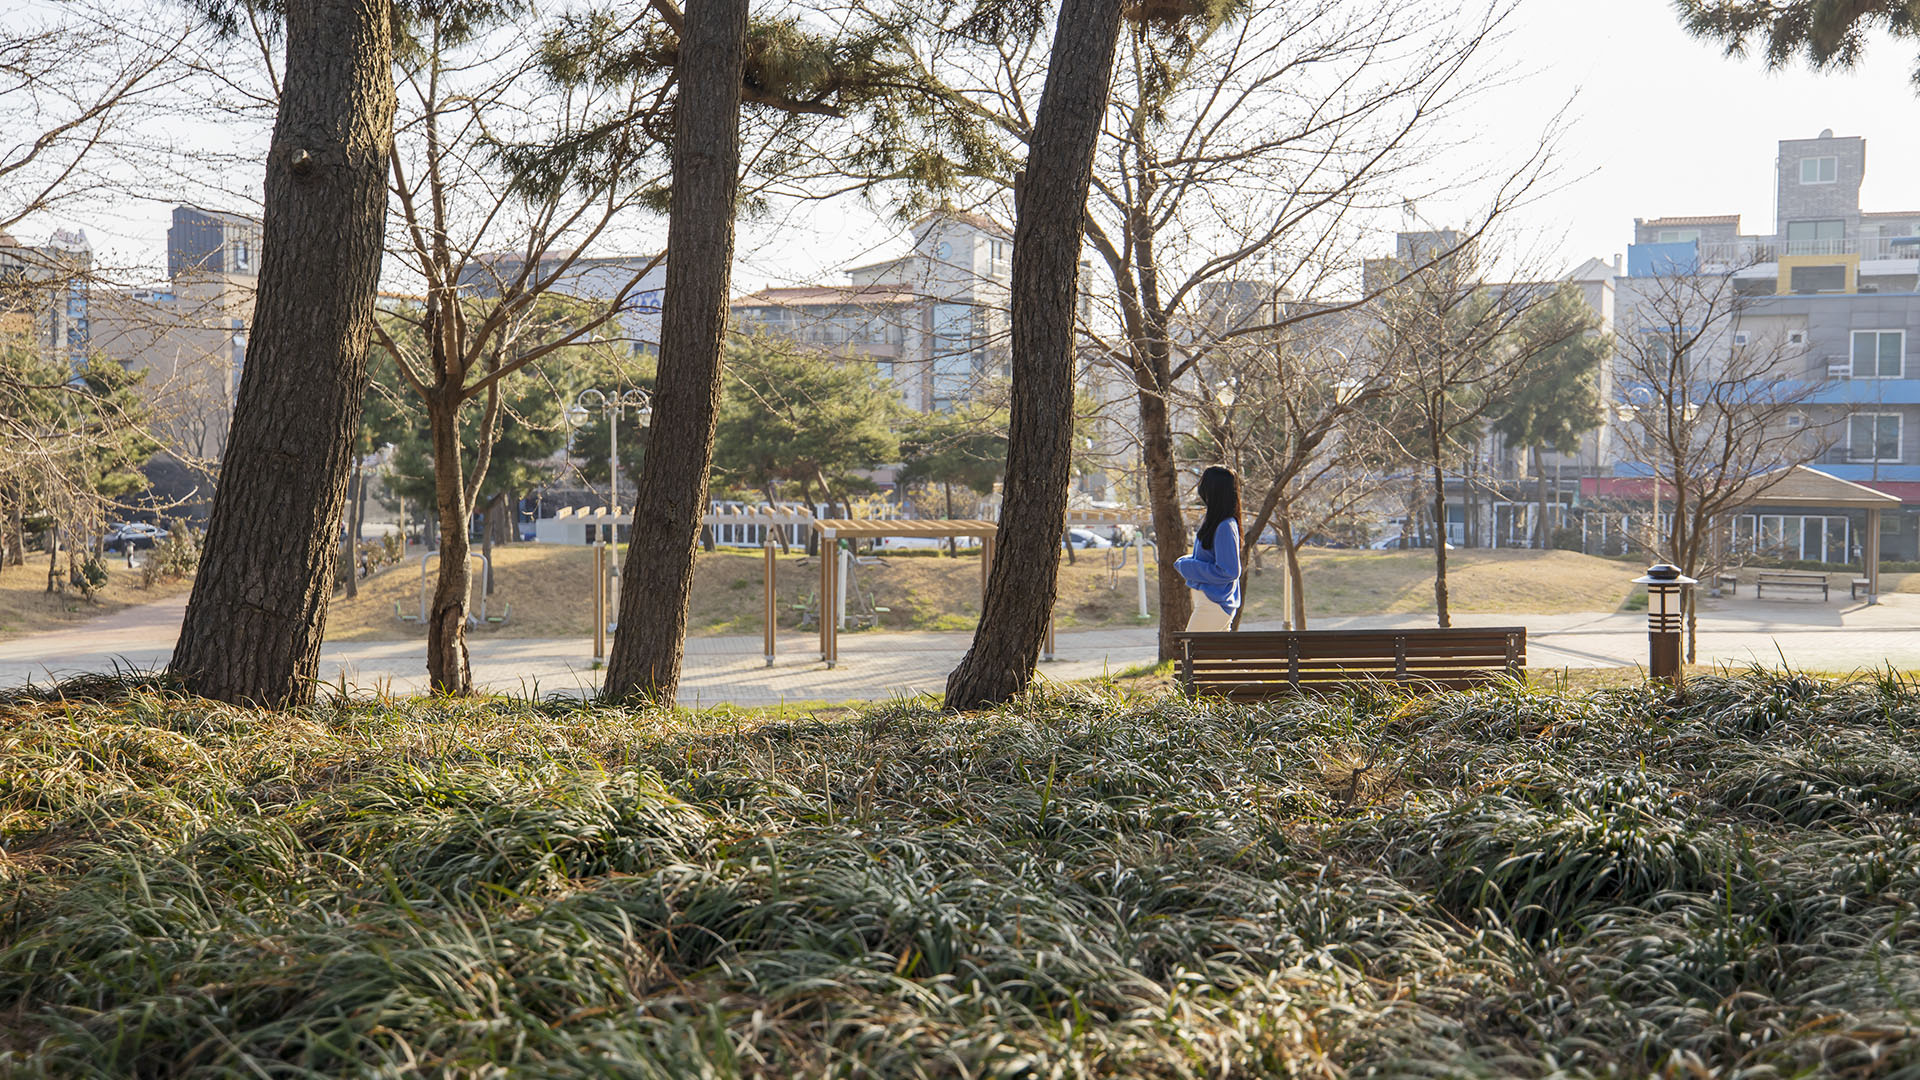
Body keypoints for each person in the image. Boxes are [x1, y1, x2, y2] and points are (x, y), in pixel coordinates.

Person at [1175, 465, 1242, 632]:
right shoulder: (1216, 522)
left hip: (1214, 605)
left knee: (1189, 652)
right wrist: (1187, 561)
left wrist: (1188, 566)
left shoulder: (1225, 525)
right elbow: (1209, 560)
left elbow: (1230, 571)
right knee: (1213, 657)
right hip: (1211, 603)